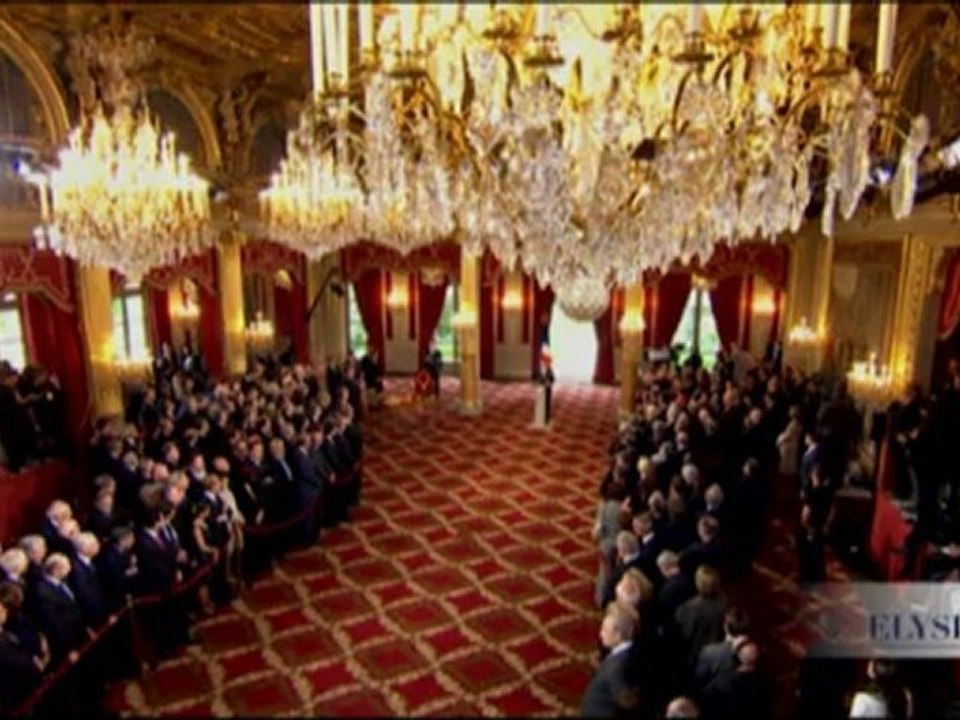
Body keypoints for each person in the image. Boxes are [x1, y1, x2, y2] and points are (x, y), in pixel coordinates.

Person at [580, 603, 640, 718]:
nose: (601, 634)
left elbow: (626, 702)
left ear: (618, 635)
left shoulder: (617, 668)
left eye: (605, 630)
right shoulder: (627, 650)